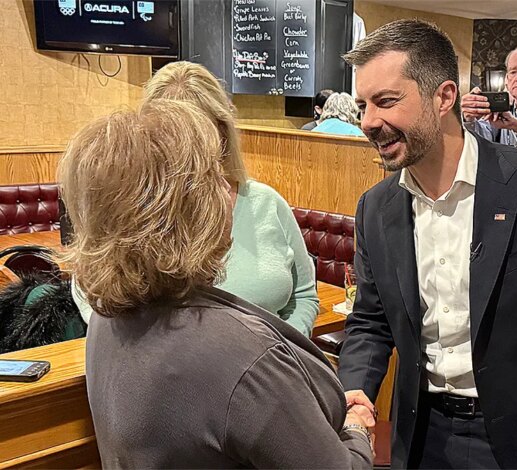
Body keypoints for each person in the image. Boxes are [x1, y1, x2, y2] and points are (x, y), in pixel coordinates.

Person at [337, 19, 517, 469]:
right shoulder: (376, 207)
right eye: (363, 105)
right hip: (419, 434)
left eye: (387, 102)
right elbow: (371, 320)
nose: (370, 122)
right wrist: (354, 389)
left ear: (444, 97)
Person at [60, 99, 374, 468]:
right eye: (214, 175)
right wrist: (355, 428)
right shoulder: (244, 356)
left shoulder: (106, 318)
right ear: (190, 207)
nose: (229, 191)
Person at [72, 61, 320, 337]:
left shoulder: (266, 202)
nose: (191, 150)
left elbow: (304, 295)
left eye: (202, 133)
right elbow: (92, 295)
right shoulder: (132, 212)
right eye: (175, 136)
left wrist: (288, 350)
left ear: (223, 133)